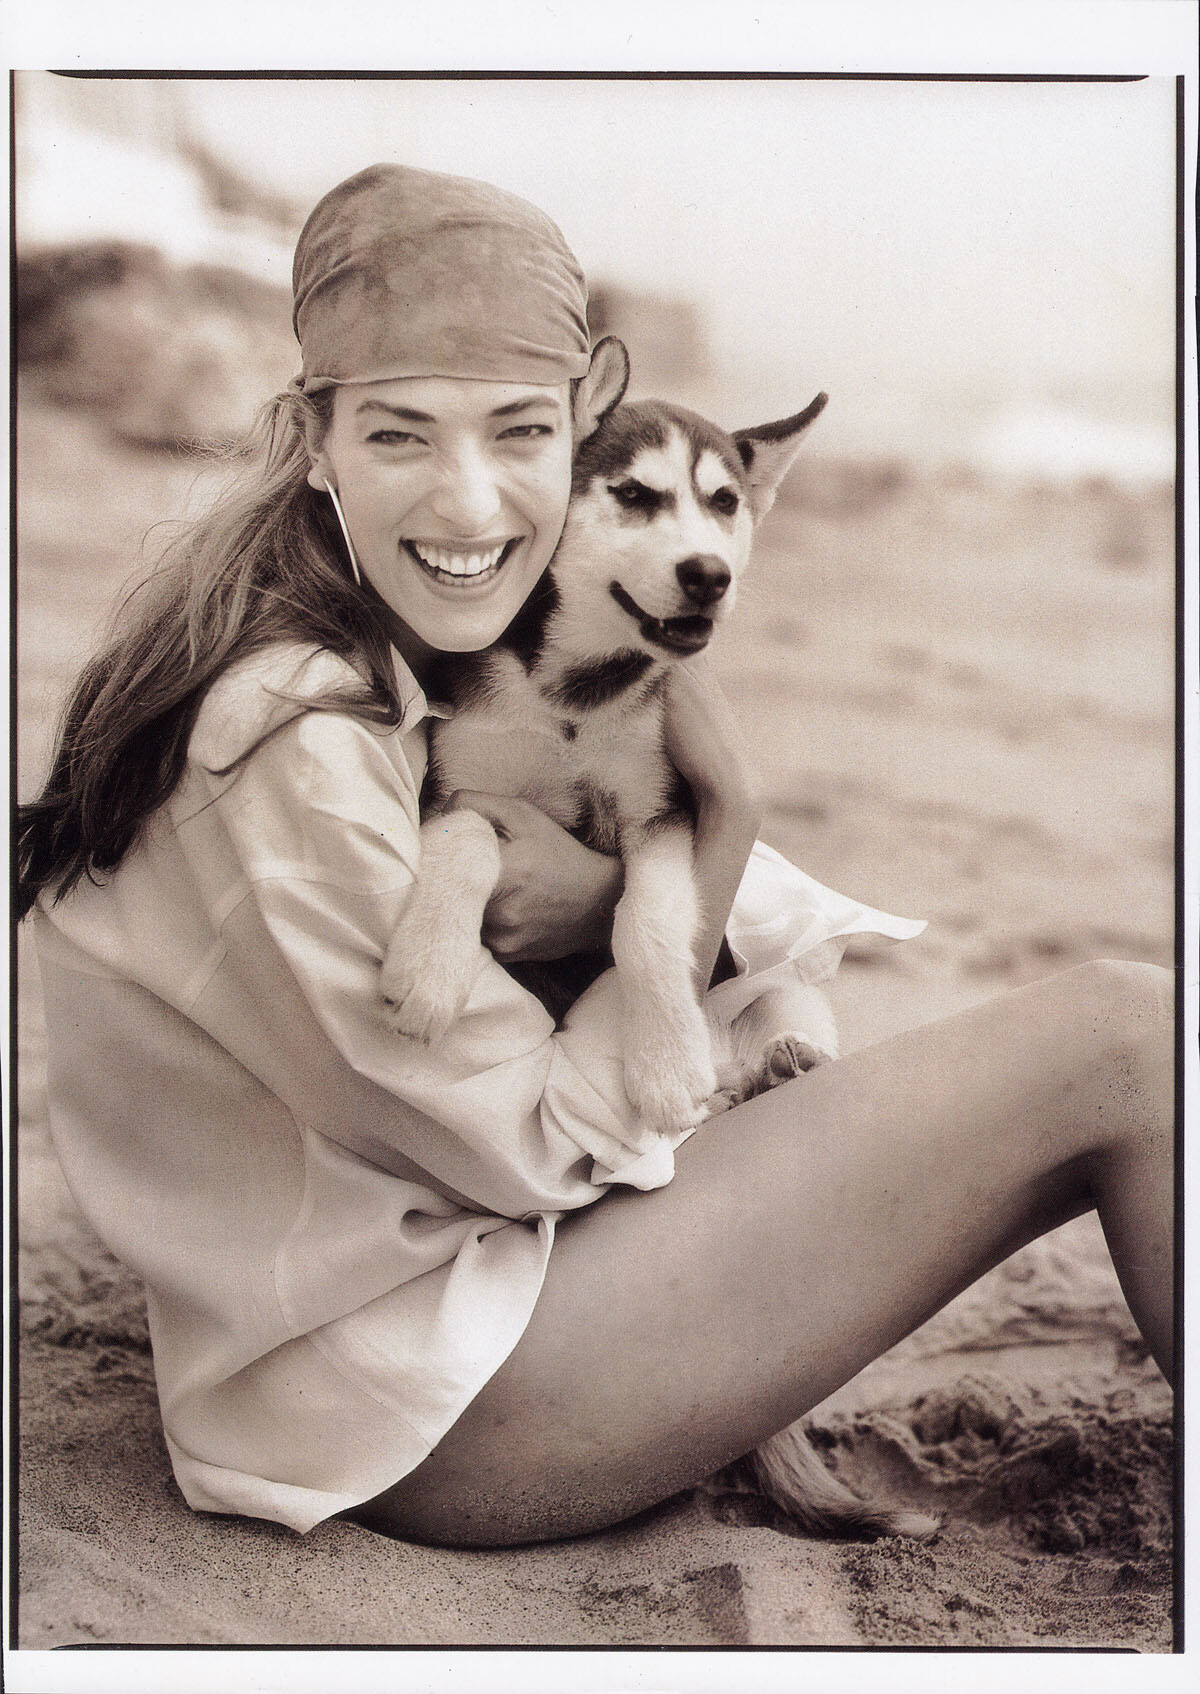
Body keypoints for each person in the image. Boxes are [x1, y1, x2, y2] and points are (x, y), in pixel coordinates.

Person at [18, 163, 1174, 1549]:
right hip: (441, 1394)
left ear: (573, 435)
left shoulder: (381, 648)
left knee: (1121, 1038)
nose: (470, 503)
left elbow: (703, 932)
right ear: (314, 440)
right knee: (1131, 1040)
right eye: (400, 434)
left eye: (518, 432)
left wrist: (623, 904)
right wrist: (721, 833)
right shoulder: (293, 741)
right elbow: (533, 1142)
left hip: (403, 1337)